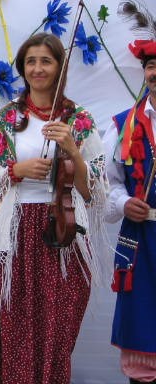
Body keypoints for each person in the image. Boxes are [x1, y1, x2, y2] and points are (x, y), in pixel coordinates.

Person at [0, 32, 107, 384]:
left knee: (56, 334)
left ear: (60, 67)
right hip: (14, 236)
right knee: (14, 330)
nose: (37, 69)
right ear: (22, 68)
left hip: (62, 233)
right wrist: (16, 170)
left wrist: (73, 150)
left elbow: (94, 190)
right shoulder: (7, 118)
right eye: (30, 61)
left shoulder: (78, 119)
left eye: (46, 61)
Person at [105, 39, 156, 384]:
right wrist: (124, 203)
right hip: (141, 240)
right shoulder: (124, 125)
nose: (155, 73)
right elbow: (105, 185)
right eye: (151, 66)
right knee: (142, 332)